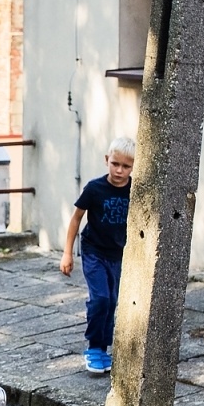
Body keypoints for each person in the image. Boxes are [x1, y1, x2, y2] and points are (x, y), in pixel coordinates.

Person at [59, 138, 134, 375]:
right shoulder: (94, 188)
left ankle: (104, 348)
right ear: (106, 160)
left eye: (126, 166)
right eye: (115, 164)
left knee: (112, 301)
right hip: (94, 252)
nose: (119, 170)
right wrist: (67, 253)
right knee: (100, 298)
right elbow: (75, 218)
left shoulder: (136, 190)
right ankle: (94, 348)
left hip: (118, 254)